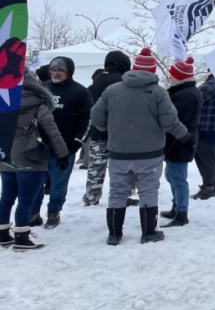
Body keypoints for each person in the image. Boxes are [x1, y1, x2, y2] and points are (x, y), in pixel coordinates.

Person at [90, 47, 191, 246]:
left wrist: (108, 129)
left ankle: (114, 234)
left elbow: (95, 115)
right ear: (153, 71)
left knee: (117, 191)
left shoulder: (112, 90)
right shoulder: (158, 93)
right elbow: (170, 121)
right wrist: (185, 137)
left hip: (118, 152)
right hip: (150, 153)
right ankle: (149, 232)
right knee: (148, 190)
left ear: (134, 68)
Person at [0, 73, 69, 250]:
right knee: (26, 200)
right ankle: (22, 237)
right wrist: (62, 154)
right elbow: (52, 131)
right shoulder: (38, 104)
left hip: (6, 158)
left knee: (6, 198)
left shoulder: (4, 103)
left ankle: (2, 234)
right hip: (31, 158)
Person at [35, 55, 92, 229]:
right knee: (35, 183)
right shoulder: (41, 89)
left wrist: (76, 143)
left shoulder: (80, 92)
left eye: (60, 70)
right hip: (39, 148)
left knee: (58, 184)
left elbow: (87, 120)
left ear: (69, 72)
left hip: (65, 148)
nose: (55, 73)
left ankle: (54, 212)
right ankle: (33, 213)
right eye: (53, 69)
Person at [82, 51, 130, 207]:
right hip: (120, 135)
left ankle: (91, 198)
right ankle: (122, 196)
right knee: (120, 170)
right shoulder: (124, 81)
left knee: (96, 169)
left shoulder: (96, 81)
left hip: (97, 133)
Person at [160, 57, 202, 228]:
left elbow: (176, 123)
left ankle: (181, 213)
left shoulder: (184, 95)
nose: (169, 77)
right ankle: (176, 206)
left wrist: (167, 146)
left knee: (178, 178)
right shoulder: (187, 91)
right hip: (184, 139)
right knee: (172, 175)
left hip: (180, 141)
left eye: (171, 75)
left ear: (179, 77)